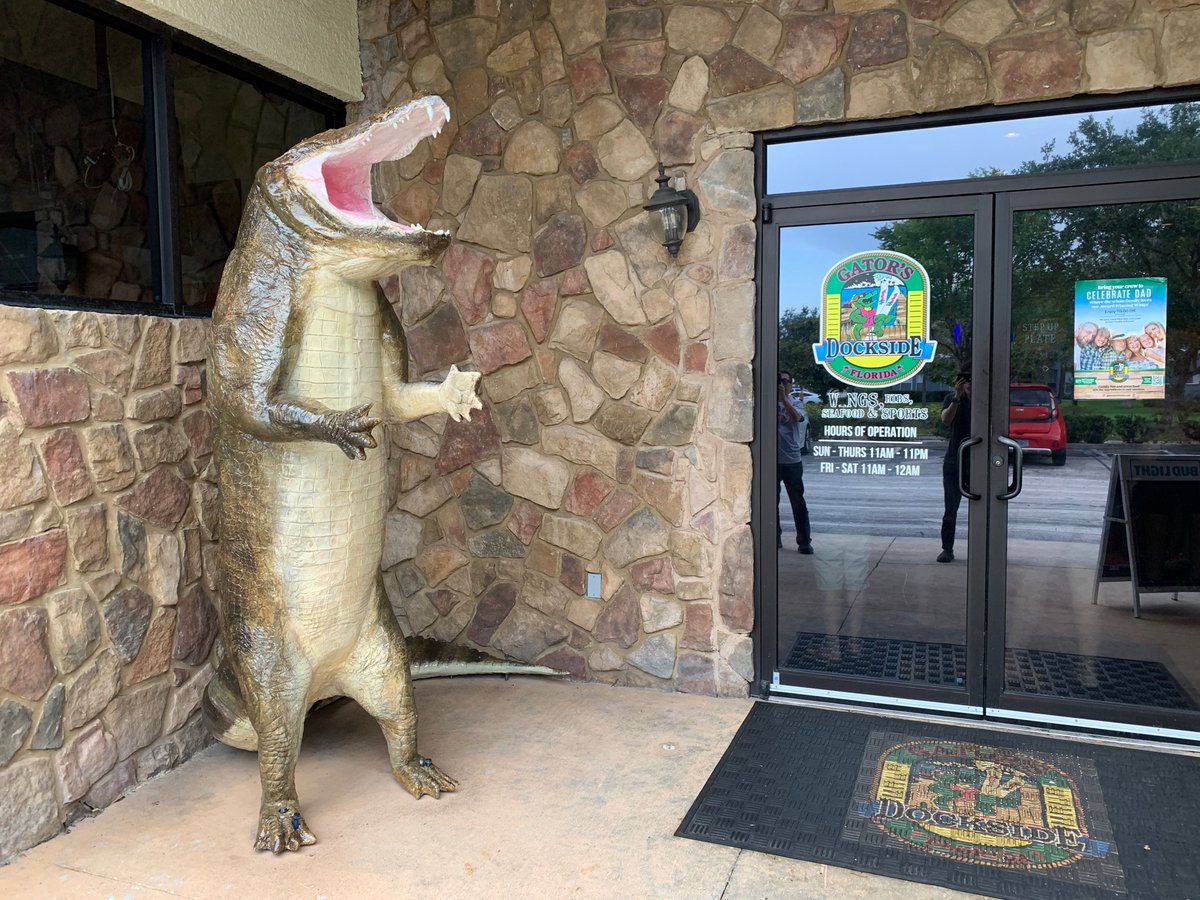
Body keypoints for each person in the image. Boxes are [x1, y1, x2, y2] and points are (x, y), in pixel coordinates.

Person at [777, 370, 813, 554]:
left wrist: (784, 399)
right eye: (779, 381)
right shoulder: (766, 401)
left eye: (786, 381)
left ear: (791, 385)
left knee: (798, 503)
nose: (782, 384)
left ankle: (804, 541)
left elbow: (797, 418)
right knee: (770, 502)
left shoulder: (796, 402)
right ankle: (774, 537)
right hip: (771, 461)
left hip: (792, 461)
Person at [938, 371, 972, 563]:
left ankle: (984, 548)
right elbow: (945, 420)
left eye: (973, 380)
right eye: (965, 380)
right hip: (955, 460)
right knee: (950, 510)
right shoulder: (952, 398)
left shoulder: (985, 401)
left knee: (983, 509)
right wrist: (957, 398)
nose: (969, 384)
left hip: (978, 461)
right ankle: (947, 549)